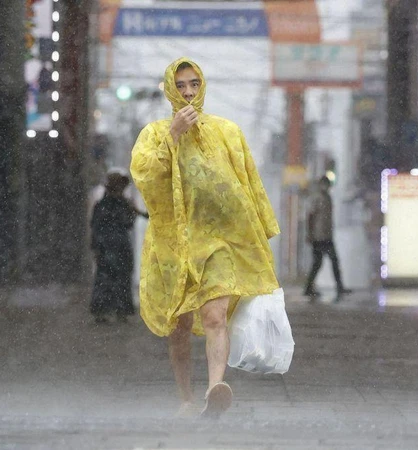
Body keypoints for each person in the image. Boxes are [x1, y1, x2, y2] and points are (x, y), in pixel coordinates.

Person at [130, 57, 280, 419]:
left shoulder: (228, 132)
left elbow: (248, 182)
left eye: (194, 84)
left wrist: (259, 228)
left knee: (215, 315)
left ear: (203, 86)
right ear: (170, 89)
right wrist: (174, 135)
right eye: (180, 85)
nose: (188, 92)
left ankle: (216, 387)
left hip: (218, 243)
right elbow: (145, 174)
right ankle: (186, 397)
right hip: (173, 244)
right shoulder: (154, 134)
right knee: (179, 326)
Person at [90, 169, 147, 323]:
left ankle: (114, 310)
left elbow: (127, 223)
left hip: (117, 247)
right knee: (107, 279)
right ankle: (107, 311)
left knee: (117, 278)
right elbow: (97, 226)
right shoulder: (107, 205)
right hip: (110, 247)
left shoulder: (117, 204)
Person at [303, 176, 349, 298]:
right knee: (326, 261)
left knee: (321, 262)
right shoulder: (317, 197)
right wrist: (310, 233)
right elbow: (310, 216)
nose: (326, 187)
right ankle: (337, 287)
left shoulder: (327, 197)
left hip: (326, 235)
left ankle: (310, 287)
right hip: (319, 237)